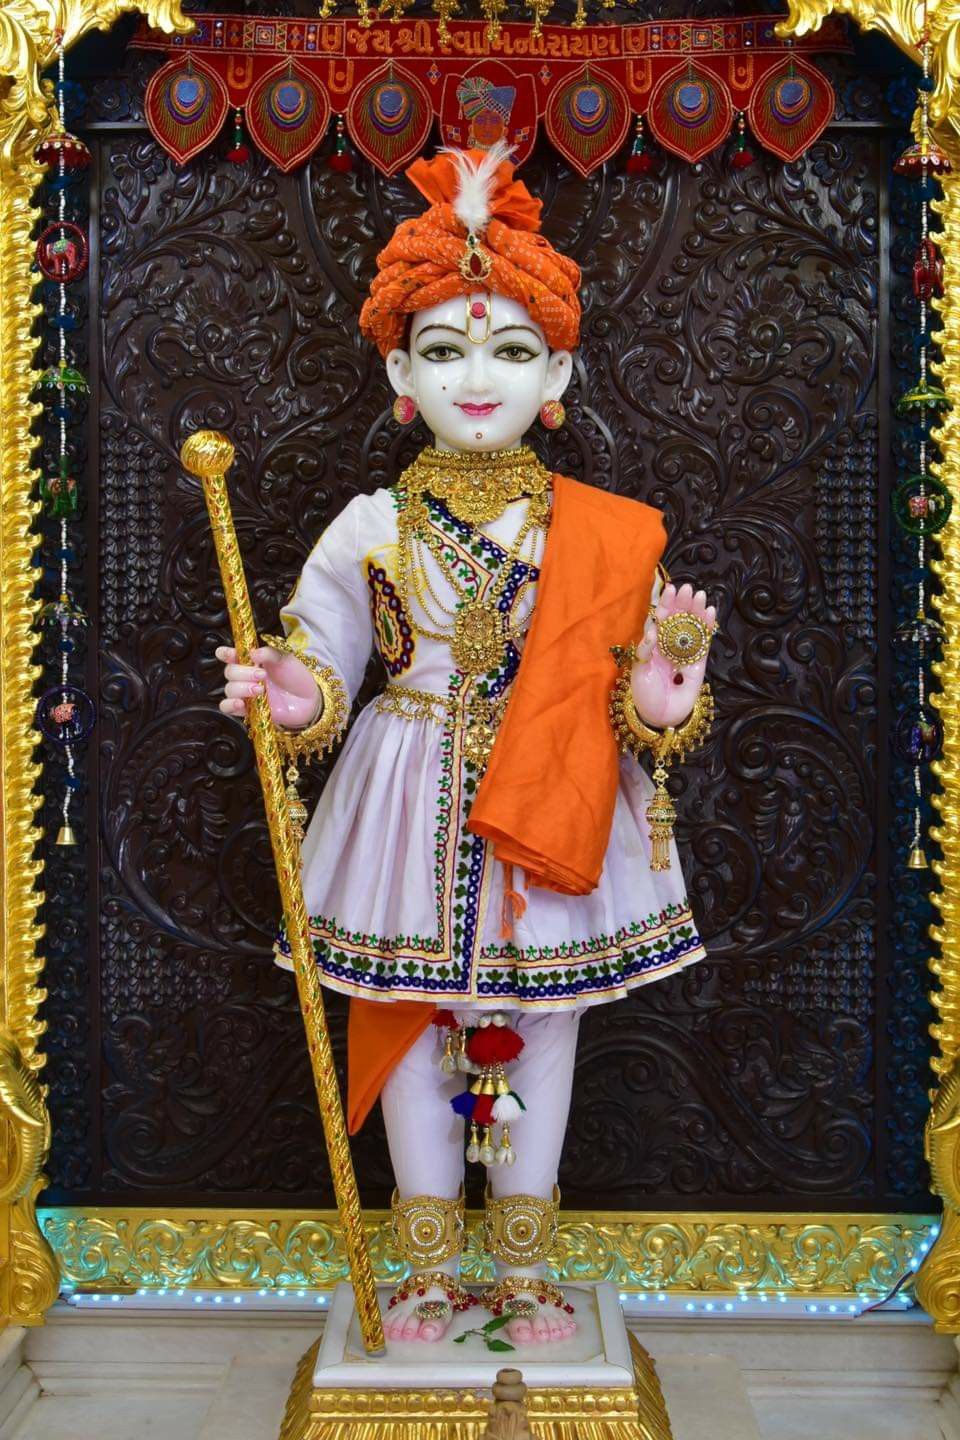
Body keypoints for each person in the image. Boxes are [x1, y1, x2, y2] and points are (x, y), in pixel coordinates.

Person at [216, 143, 715, 1348]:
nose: (477, 379)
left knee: (543, 1032)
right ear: (399, 371)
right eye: (443, 352)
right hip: (403, 796)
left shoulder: (602, 535)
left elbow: (641, 708)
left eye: (510, 353)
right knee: (408, 1022)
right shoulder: (370, 526)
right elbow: (325, 666)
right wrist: (285, 690)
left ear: (560, 372)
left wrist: (664, 693)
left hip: (558, 795)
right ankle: (430, 1269)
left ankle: (528, 1272)